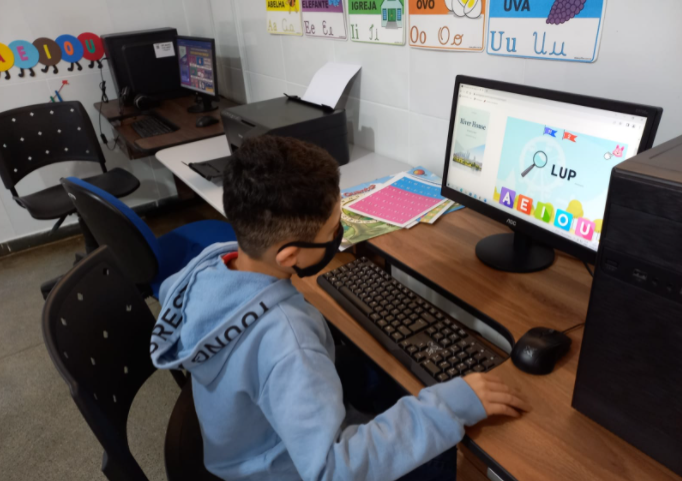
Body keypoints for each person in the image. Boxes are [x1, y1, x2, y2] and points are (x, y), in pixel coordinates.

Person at [150, 136, 530, 481]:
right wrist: (451, 405)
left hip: (242, 445)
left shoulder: (211, 267)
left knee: (376, 371)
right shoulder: (288, 343)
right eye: (333, 230)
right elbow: (331, 469)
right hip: (284, 469)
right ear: (290, 257)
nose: (340, 234)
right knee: (444, 450)